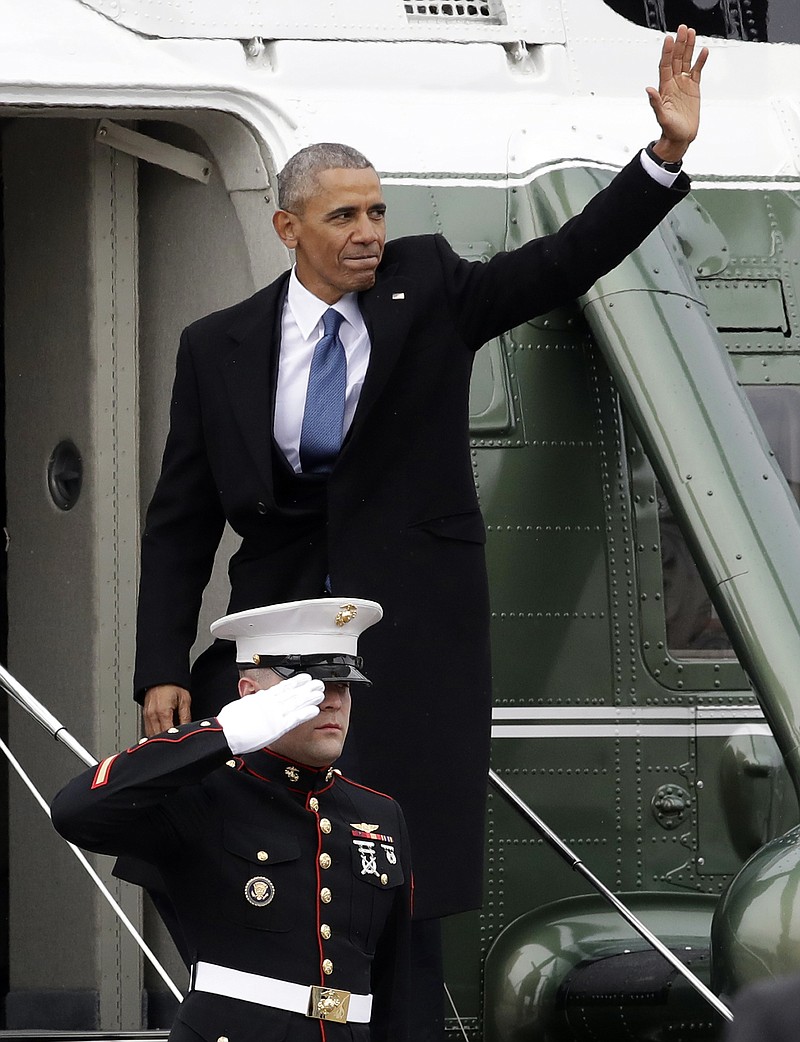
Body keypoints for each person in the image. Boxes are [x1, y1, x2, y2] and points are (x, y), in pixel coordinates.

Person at [132, 24, 708, 1037]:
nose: (366, 230)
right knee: (224, 834)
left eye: (376, 211)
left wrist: (659, 158)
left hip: (404, 644)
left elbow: (560, 260)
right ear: (286, 229)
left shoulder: (429, 288)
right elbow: (180, 519)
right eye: (342, 215)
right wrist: (156, 666)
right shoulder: (216, 346)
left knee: (394, 870)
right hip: (270, 637)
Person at [53, 597, 411, 1042]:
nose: (333, 702)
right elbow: (74, 812)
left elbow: (396, 988)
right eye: (312, 685)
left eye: (343, 685)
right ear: (250, 695)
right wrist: (218, 736)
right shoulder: (205, 794)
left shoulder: (378, 815)